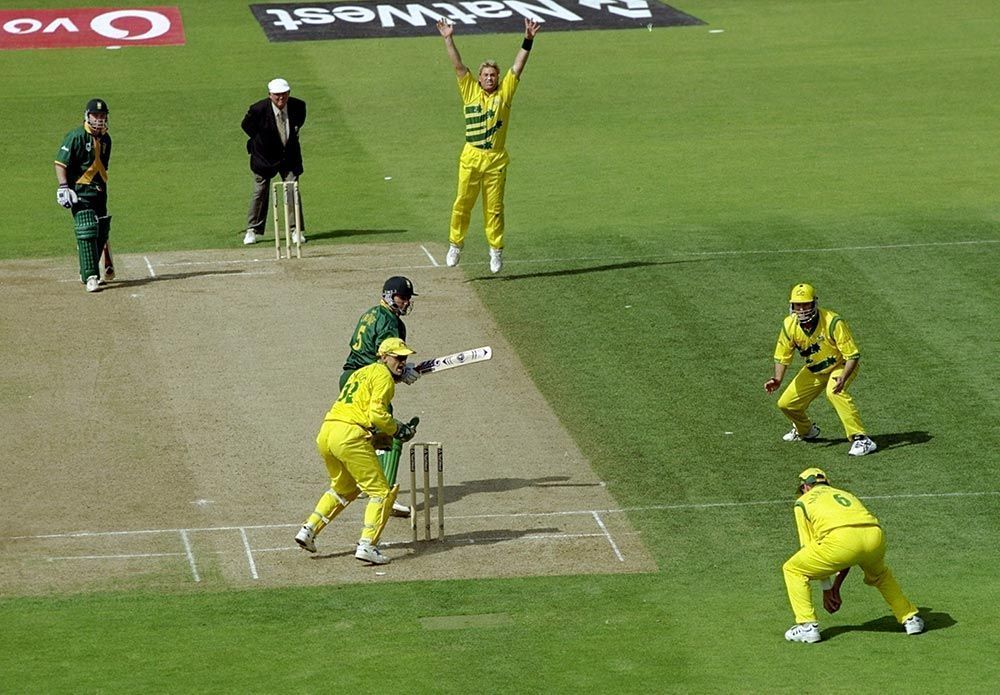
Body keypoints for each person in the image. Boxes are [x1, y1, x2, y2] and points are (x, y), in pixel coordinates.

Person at [295, 338, 420, 564]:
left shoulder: (360, 373)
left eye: (404, 358)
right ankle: (367, 545)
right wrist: (398, 430)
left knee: (345, 488)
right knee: (381, 492)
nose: (402, 362)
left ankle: (308, 529)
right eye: (397, 357)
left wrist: (375, 435)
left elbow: (359, 409)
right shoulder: (383, 377)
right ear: (383, 357)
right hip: (349, 436)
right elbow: (376, 414)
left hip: (327, 432)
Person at [436, 18, 541, 274]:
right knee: (463, 203)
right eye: (486, 75)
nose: (490, 78)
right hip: (471, 156)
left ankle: (495, 251)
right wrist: (448, 38)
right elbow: (458, 66)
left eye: (493, 75)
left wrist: (528, 39)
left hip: (495, 159)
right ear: (480, 78)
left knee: (494, 208)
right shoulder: (469, 89)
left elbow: (518, 66)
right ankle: (455, 245)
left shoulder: (505, 92)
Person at [782, 468, 924, 643]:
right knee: (880, 575)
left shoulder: (802, 502)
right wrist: (835, 587)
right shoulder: (845, 494)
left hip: (841, 541)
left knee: (793, 569)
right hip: (874, 536)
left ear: (806, 487)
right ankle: (910, 618)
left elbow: (810, 547)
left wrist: (827, 590)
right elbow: (853, 554)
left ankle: (807, 626)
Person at [764, 283, 877, 456]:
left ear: (814, 304)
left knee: (834, 392)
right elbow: (782, 355)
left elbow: (852, 356)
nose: (801, 310)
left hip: (840, 366)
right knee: (786, 404)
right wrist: (777, 379)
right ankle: (806, 430)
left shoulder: (833, 322)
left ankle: (861, 438)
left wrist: (843, 377)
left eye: (805, 304)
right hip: (814, 369)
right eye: (797, 305)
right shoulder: (789, 325)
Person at [342, 277, 421, 517]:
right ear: (389, 295)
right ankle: (384, 490)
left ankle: (368, 483)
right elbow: (383, 358)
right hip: (366, 380)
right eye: (402, 297)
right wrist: (401, 372)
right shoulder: (389, 323)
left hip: (350, 379)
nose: (406, 302)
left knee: (367, 432)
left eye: (408, 298)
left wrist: (401, 371)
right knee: (388, 428)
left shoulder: (372, 313)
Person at [54, 98, 115, 293]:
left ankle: (86, 270)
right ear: (87, 116)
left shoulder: (106, 139)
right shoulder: (76, 136)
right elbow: (60, 163)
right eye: (95, 115)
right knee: (87, 230)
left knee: (101, 230)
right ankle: (91, 276)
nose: (99, 119)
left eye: (102, 116)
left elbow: (102, 167)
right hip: (79, 192)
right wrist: (64, 187)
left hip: (99, 191)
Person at [240, 77, 306, 246]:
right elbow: (247, 126)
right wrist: (260, 142)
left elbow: (297, 125)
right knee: (260, 191)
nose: (280, 99)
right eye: (277, 96)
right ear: (270, 95)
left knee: (292, 189)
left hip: (289, 156)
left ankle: (295, 230)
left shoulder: (298, 106)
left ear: (289, 93)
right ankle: (252, 230)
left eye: (284, 95)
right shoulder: (258, 110)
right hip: (264, 157)